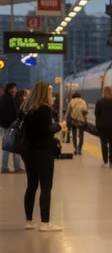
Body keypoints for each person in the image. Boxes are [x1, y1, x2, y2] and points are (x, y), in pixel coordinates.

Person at [19, 81, 66, 231]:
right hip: (43, 152)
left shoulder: (25, 109)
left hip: (28, 152)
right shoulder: (44, 109)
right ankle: (45, 223)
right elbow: (45, 131)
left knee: (31, 185)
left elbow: (31, 130)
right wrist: (59, 126)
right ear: (44, 93)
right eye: (49, 92)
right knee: (46, 186)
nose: (51, 95)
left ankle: (29, 221)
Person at [1, 82, 21, 173]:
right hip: (10, 125)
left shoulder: (3, 98)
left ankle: (5, 167)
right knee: (13, 146)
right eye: (14, 88)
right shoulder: (10, 99)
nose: (16, 90)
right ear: (11, 89)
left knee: (7, 146)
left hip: (5, 125)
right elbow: (14, 113)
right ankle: (14, 167)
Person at [66, 91, 89, 156]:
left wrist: (66, 119)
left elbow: (68, 112)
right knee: (81, 135)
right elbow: (85, 111)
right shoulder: (83, 101)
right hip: (81, 121)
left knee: (74, 134)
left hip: (74, 120)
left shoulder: (71, 101)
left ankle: (75, 148)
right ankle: (79, 150)